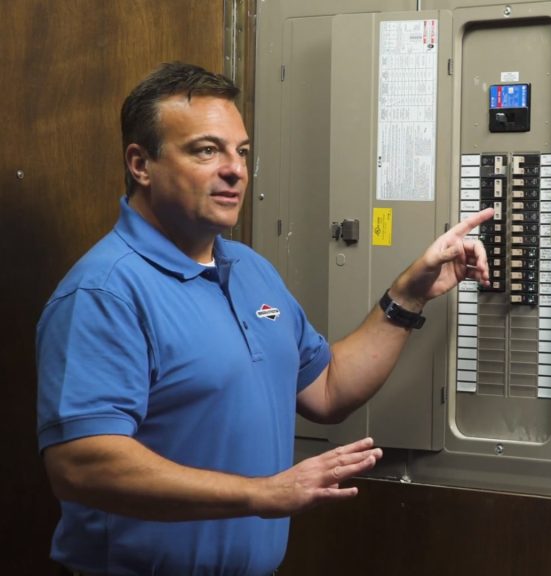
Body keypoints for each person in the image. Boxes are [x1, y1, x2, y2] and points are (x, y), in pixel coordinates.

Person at [36, 62, 493, 575]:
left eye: (242, 152)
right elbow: (81, 466)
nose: (235, 169)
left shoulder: (249, 269)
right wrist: (262, 493)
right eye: (206, 150)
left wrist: (409, 295)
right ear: (141, 164)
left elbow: (327, 389)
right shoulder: (105, 292)